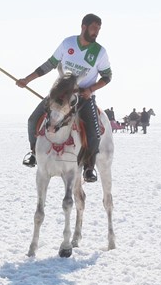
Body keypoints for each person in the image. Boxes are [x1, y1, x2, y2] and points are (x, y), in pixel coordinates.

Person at [16, 13, 112, 183]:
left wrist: (90, 89)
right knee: (32, 121)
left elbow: (107, 76)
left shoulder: (100, 52)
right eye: (93, 28)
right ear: (83, 27)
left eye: (98, 29)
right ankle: (33, 153)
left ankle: (89, 167)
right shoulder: (67, 43)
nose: (96, 32)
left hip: (83, 96)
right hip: (61, 93)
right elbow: (49, 64)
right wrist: (27, 80)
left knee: (94, 133)